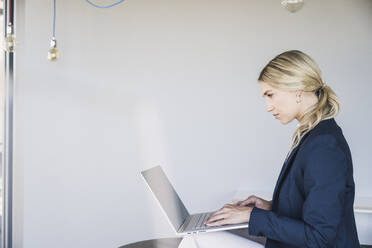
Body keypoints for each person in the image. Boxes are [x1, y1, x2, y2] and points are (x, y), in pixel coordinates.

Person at [205, 50, 360, 247]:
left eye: (270, 95)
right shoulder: (313, 136)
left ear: (297, 90)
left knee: (198, 240)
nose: (268, 106)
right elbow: (311, 209)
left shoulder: (324, 146)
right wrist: (270, 208)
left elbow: (319, 236)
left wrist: (253, 216)